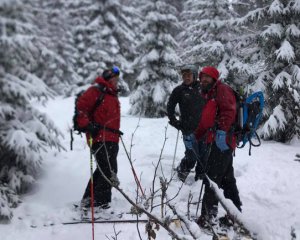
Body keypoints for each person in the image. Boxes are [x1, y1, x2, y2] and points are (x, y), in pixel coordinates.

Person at [194, 66, 242, 227]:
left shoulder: (222, 90)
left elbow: (229, 111)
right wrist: (196, 136)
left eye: (207, 77)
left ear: (214, 78)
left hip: (223, 141)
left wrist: (222, 132)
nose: (203, 80)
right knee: (227, 179)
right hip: (215, 140)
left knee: (212, 179)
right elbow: (206, 119)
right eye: (202, 77)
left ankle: (208, 217)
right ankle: (235, 214)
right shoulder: (208, 93)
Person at [75, 66, 122, 210]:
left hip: (112, 138)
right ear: (108, 79)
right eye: (114, 79)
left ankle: (89, 199)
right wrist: (88, 126)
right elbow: (81, 109)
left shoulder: (112, 94)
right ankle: (100, 204)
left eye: (117, 79)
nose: (116, 82)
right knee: (107, 170)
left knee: (104, 169)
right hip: (99, 137)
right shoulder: (95, 91)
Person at [167, 64, 205, 182]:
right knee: (192, 156)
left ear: (194, 75)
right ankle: (181, 172)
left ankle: (200, 178)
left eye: (189, 75)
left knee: (204, 156)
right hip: (188, 129)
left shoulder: (203, 88)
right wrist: (174, 121)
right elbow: (170, 106)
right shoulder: (179, 90)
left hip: (204, 129)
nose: (186, 78)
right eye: (184, 75)